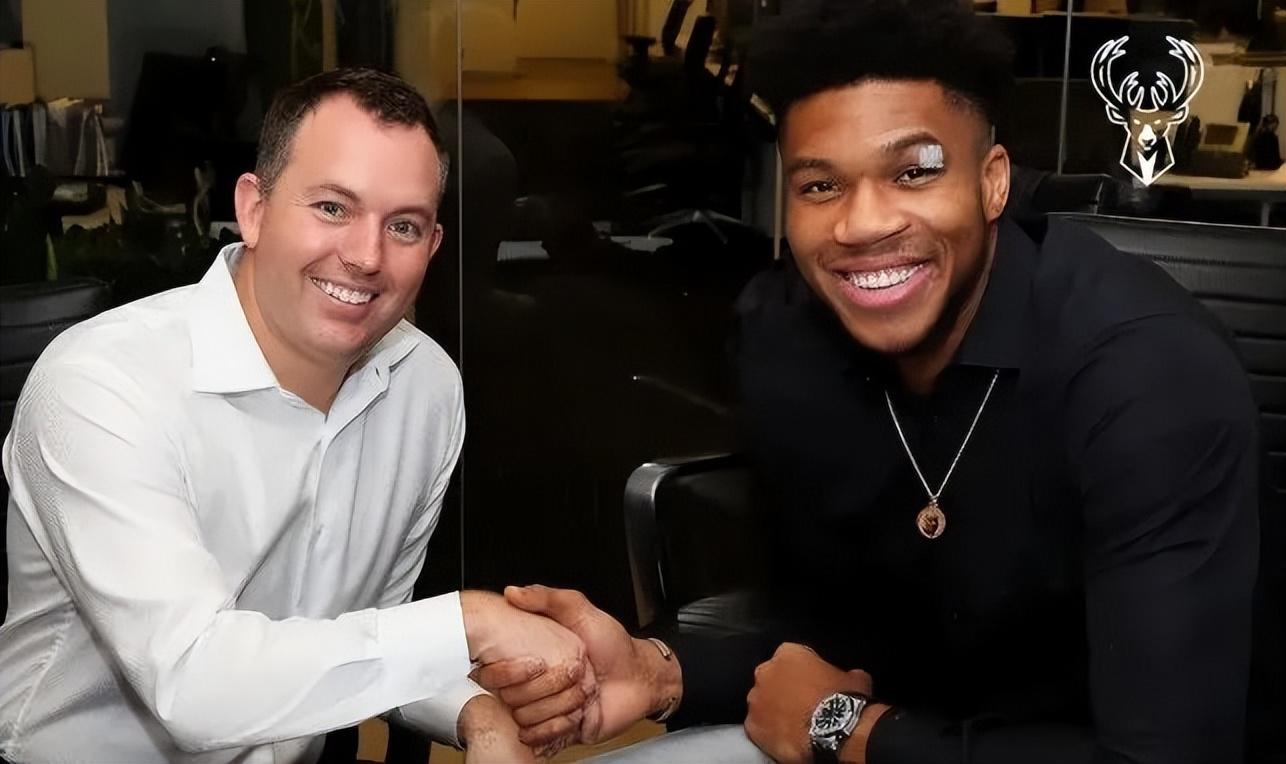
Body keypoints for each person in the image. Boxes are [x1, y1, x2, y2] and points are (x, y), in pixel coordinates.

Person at [478, 2, 1260, 762]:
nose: (862, 224)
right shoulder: (792, 340)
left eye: (914, 173)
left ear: (992, 182)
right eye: (821, 186)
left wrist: (846, 730)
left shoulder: (1146, 378)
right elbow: (835, 646)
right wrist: (661, 673)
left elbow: (1164, 750)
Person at [0, 68, 588, 763]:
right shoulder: (103, 384)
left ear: (433, 247)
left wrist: (477, 713)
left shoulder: (425, 388)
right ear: (253, 209)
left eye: (403, 226)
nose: (366, 256)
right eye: (333, 208)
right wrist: (470, 623)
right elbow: (193, 684)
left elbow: (369, 640)